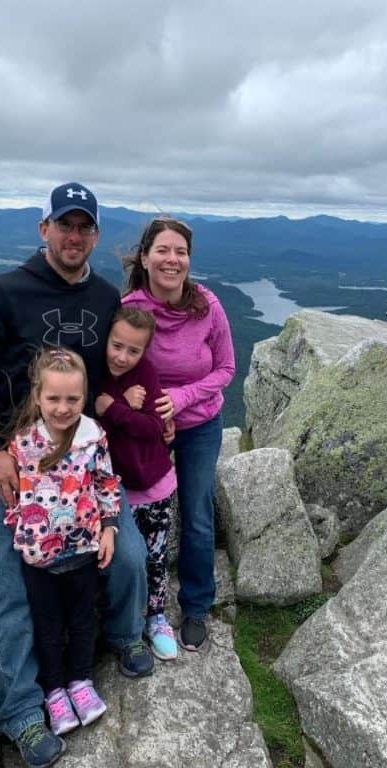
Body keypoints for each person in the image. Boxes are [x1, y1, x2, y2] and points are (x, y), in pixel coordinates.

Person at [0, 182, 153, 768]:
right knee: (10, 591)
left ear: (94, 234)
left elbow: (119, 360)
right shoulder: (5, 293)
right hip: (9, 465)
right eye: (63, 225)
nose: (74, 236)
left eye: (84, 226)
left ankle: (120, 637)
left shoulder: (106, 295)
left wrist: (147, 405)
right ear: (44, 230)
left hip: (80, 466)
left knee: (129, 555)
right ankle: (20, 713)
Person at [121, 216, 235, 653]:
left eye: (181, 252)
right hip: (146, 430)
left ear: (189, 259)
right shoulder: (131, 308)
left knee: (197, 514)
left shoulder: (207, 305)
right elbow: (118, 365)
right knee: (138, 517)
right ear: (145, 257)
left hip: (200, 424)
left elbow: (225, 369)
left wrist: (184, 397)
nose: (173, 259)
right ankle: (141, 608)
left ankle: (195, 607)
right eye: (163, 251)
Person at [5, 347, 115, 737]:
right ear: (37, 396)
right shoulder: (22, 444)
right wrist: (20, 528)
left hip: (84, 550)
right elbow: (13, 495)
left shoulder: (92, 436)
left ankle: (80, 683)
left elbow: (105, 484)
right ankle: (54, 691)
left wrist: (110, 528)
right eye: (53, 398)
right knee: (48, 626)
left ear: (84, 397)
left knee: (83, 621)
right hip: (40, 560)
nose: (63, 407)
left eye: (73, 398)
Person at [95, 307, 179, 660]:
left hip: (156, 485)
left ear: (145, 351)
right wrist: (117, 410)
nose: (122, 356)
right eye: (117, 345)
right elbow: (87, 428)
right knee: (125, 559)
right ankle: (122, 620)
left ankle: (156, 618)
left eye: (133, 350)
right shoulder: (95, 374)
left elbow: (152, 429)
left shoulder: (146, 373)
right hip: (115, 489)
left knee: (155, 557)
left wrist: (114, 409)